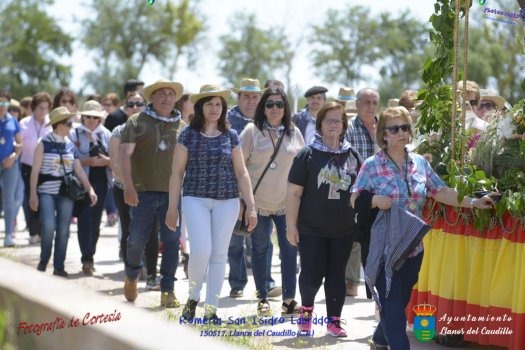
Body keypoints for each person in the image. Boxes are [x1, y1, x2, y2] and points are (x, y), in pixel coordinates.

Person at [350, 106, 495, 350]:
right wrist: (375, 201)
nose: (401, 133)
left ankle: (379, 339)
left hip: (413, 248)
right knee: (392, 305)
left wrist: (474, 202)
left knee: (399, 299)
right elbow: (354, 198)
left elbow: (441, 191)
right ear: (384, 135)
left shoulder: (419, 163)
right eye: (394, 129)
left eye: (405, 127)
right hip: (384, 248)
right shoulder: (372, 165)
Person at [166, 84, 257, 320]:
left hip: (227, 201)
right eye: (209, 104)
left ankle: (211, 309)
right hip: (195, 197)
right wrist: (171, 208)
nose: (214, 108)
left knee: (218, 254)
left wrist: (251, 206)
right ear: (200, 107)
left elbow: (242, 173)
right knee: (201, 250)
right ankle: (193, 296)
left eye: (219, 104)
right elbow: (176, 173)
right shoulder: (187, 134)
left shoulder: (231, 135)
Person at [287, 102, 362, 337]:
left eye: (337, 121)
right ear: (320, 124)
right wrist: (291, 226)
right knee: (311, 274)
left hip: (343, 228)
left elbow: (360, 191)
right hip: (312, 228)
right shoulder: (307, 154)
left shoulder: (352, 155)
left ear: (343, 125)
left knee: (337, 275)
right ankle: (306, 312)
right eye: (328, 120)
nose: (333, 124)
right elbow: (294, 193)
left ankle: (334, 322)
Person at [120, 79, 184, 308]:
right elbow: (125, 154)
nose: (167, 98)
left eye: (171, 94)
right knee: (136, 240)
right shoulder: (136, 121)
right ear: (152, 97)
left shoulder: (182, 126)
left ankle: (168, 290)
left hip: (172, 195)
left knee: (171, 242)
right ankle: (131, 275)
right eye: (161, 94)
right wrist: (128, 186)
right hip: (142, 192)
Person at [240, 87, 304, 316]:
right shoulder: (251, 131)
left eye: (279, 104)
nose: (275, 108)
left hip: (287, 205)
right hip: (257, 204)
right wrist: (243, 202)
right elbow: (238, 168)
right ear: (262, 108)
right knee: (260, 249)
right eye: (270, 104)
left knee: (289, 250)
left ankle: (289, 300)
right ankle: (262, 299)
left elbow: (303, 168)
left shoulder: (294, 133)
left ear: (285, 107)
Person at [29, 107, 97, 276]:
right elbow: (35, 171)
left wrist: (90, 189)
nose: (71, 126)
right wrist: (33, 195)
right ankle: (44, 260)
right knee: (48, 226)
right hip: (46, 191)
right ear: (58, 125)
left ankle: (59, 266)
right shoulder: (43, 143)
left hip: (66, 192)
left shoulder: (70, 145)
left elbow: (79, 170)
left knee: (64, 229)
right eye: (68, 123)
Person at [109, 92, 161, 290]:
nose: (135, 107)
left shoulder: (154, 129)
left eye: (140, 103)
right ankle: (131, 271)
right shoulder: (118, 131)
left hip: (151, 188)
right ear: (125, 107)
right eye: (131, 104)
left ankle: (152, 275)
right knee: (129, 229)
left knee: (152, 232)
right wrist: (130, 186)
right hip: (123, 188)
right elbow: (114, 162)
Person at [226, 78, 266, 299]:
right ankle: (237, 282)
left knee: (261, 240)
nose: (251, 101)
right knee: (235, 239)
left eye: (255, 96)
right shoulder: (227, 120)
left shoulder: (267, 119)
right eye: (246, 96)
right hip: (233, 185)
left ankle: (265, 284)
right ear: (238, 97)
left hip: (262, 187)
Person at [344, 87, 380, 297]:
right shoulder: (349, 128)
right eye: (366, 102)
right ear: (357, 105)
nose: (371, 106)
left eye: (374, 102)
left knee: (377, 239)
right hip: (356, 192)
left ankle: (374, 284)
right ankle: (350, 282)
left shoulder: (384, 128)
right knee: (355, 238)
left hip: (382, 193)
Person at [69, 100, 111, 275]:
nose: (92, 120)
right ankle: (86, 258)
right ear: (83, 117)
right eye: (88, 117)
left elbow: (115, 159)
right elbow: (69, 159)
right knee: (84, 221)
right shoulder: (73, 133)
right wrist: (88, 161)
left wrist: (105, 161)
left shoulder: (107, 134)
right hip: (81, 183)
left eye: (95, 117)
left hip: (101, 182)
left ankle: (90, 256)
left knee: (95, 222)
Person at [19, 92, 53, 245]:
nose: (43, 111)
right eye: (40, 108)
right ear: (34, 108)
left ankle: (43, 230)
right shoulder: (25, 123)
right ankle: (33, 231)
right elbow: (19, 144)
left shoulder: (51, 123)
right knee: (31, 197)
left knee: (45, 197)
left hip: (45, 167)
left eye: (46, 108)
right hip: (28, 165)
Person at [0, 90, 23, 248]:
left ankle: (8, 234)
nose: (2, 106)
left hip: (10, 165)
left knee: (9, 200)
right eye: (0, 102)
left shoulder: (13, 121)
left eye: (5, 102)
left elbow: (20, 144)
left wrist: (13, 157)